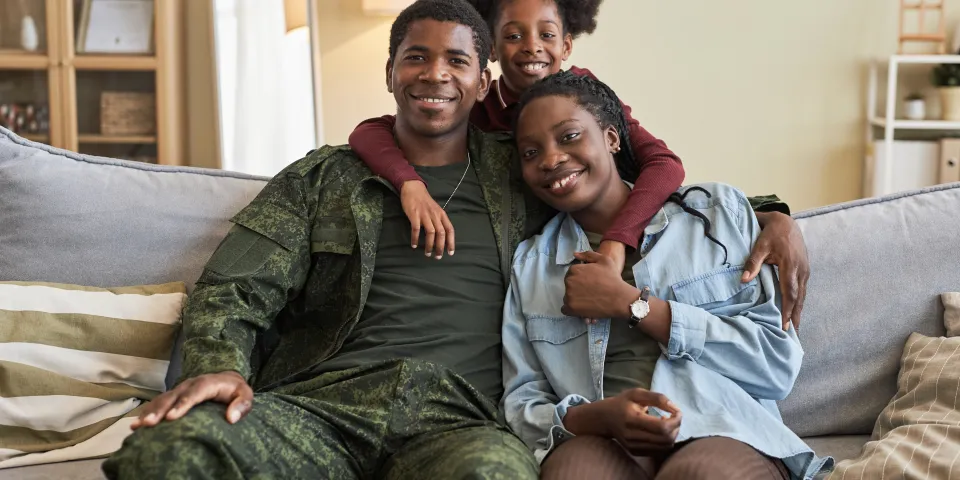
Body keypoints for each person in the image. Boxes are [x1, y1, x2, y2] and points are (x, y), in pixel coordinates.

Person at [102, 1, 549, 478]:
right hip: (321, 411)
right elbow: (234, 288)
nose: (435, 73)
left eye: (457, 61)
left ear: (483, 82)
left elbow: (609, 169)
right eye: (416, 57)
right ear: (390, 71)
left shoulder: (524, 175)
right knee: (167, 450)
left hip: (459, 422)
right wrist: (219, 366)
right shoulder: (320, 179)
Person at [348, 0, 810, 330]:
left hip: (611, 238)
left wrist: (770, 215)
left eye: (546, 35)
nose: (532, 48)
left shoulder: (585, 100)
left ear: (567, 45)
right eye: (513, 35)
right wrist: (409, 183)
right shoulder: (476, 106)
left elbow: (664, 167)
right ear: (489, 52)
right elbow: (370, 130)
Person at [500, 71, 833, 479]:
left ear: (611, 138)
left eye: (568, 136)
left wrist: (633, 305)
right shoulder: (531, 265)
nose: (550, 159)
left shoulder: (716, 214)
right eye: (531, 152)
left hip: (724, 428)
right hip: (605, 439)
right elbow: (522, 403)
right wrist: (598, 418)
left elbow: (775, 365)